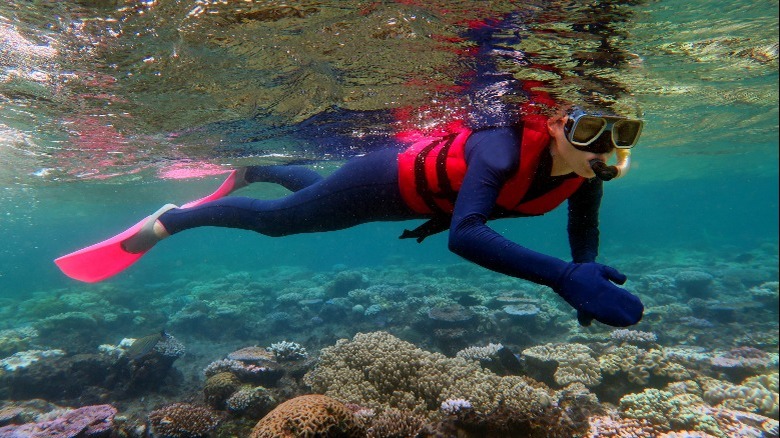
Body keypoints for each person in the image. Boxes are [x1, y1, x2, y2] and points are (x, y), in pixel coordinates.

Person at [55, 13, 645, 328]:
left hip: (403, 199)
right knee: (282, 224)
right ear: (557, 123)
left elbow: (580, 232)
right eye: (589, 129)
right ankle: (176, 219)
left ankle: (259, 167)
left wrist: (586, 275)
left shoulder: (585, 174)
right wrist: (563, 279)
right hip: (382, 179)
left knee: (317, 202)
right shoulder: (501, 148)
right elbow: (469, 235)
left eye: (621, 134)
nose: (604, 148)